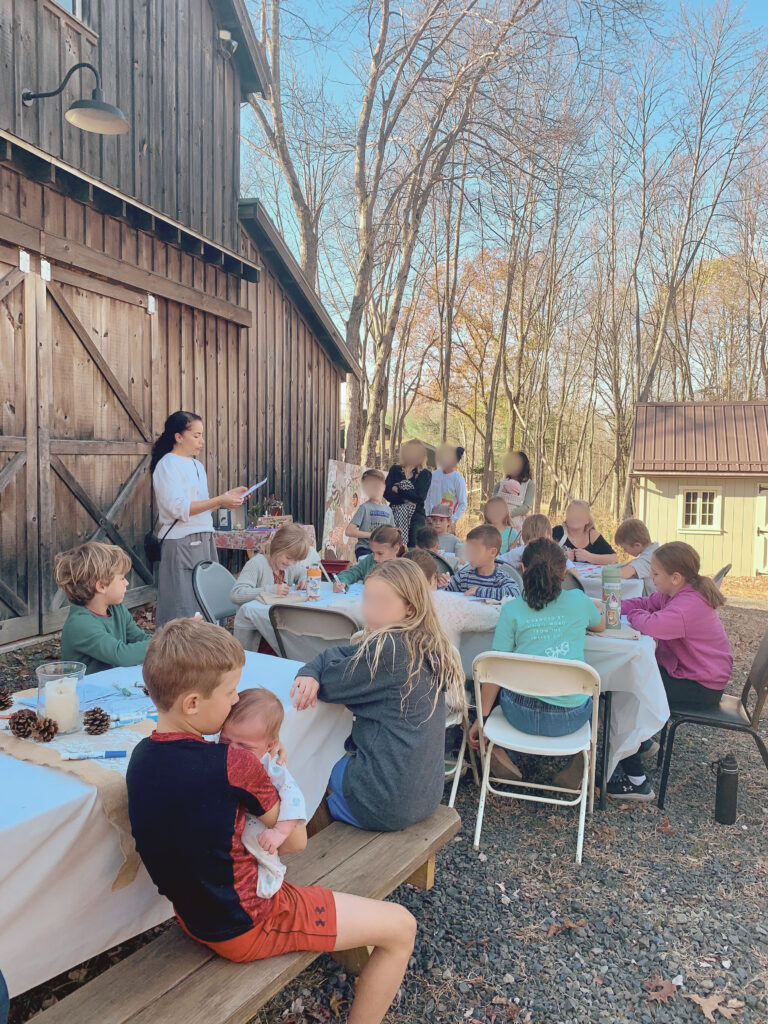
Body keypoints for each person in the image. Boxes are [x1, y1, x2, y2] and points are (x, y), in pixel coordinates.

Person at [127, 619, 416, 1023]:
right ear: (192, 703)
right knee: (402, 927)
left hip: (191, 912)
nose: (234, 702)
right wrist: (278, 768)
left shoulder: (140, 756)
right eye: (229, 693)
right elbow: (296, 842)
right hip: (246, 925)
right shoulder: (233, 764)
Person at [290, 560, 466, 831]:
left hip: (386, 803)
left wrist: (314, 672)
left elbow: (330, 684)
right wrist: (314, 668)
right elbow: (341, 654)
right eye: (368, 599)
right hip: (425, 794)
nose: (370, 610)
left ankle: (308, 848)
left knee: (307, 760)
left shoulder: (390, 651)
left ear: (410, 608)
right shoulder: (427, 643)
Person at [468, 538, 604, 783]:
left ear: (522, 569)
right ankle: (581, 759)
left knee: (507, 686)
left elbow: (494, 671)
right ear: (564, 572)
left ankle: (503, 751)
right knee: (598, 701)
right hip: (569, 718)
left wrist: (482, 718)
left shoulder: (512, 610)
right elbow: (600, 625)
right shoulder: (579, 601)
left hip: (520, 713)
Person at [606, 542, 733, 802]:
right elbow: (645, 602)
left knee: (626, 688)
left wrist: (636, 613)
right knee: (628, 681)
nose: (650, 578)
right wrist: (610, 605)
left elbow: (653, 625)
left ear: (675, 577)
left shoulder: (689, 604)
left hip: (701, 685)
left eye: (655, 574)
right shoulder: (677, 592)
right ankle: (639, 743)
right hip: (691, 673)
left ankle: (636, 781)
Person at [151, 411, 247, 626]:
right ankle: (177, 654)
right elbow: (178, 508)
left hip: (204, 536)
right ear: (178, 437)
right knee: (182, 603)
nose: (201, 441)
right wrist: (220, 500)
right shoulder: (167, 465)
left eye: (202, 435)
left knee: (206, 599)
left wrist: (227, 496)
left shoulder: (197, 465)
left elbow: (200, 506)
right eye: (196, 435)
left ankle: (207, 652)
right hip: (182, 542)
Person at [219, 688, 305, 898]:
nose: (232, 751)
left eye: (245, 747)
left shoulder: (274, 765)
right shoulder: (233, 743)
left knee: (259, 847)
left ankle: (271, 872)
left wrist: (280, 832)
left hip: (258, 822)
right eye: (225, 741)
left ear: (269, 745)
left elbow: (294, 800)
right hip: (233, 817)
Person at [55, 542, 150, 674]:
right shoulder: (79, 624)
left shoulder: (117, 608)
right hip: (86, 692)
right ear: (101, 586)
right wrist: (164, 644)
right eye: (122, 578)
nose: (126, 583)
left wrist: (159, 645)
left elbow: (140, 638)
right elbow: (121, 655)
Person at [230, 524, 311, 604]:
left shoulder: (289, 566)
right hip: (253, 616)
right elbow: (236, 594)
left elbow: (302, 571)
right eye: (288, 558)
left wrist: (302, 580)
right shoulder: (256, 564)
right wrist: (270, 591)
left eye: (296, 560)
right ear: (277, 547)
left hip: (275, 614)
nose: (291, 563)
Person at [441, 525, 521, 600]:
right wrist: (441, 584)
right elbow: (443, 592)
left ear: (492, 552)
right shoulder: (464, 577)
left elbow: (514, 593)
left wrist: (478, 591)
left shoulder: (500, 578)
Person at [384, 439, 432, 547]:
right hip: (395, 514)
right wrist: (406, 499)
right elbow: (387, 494)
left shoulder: (425, 474)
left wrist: (398, 488)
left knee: (413, 549)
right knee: (393, 546)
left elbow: (420, 497)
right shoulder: (395, 470)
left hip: (416, 516)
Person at [332, 524, 404, 592]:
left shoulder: (404, 569)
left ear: (396, 549)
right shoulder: (369, 561)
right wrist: (341, 581)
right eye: (373, 552)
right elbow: (351, 573)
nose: (375, 558)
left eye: (380, 553)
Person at [344, 469, 396, 559]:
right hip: (365, 549)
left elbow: (393, 532)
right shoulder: (364, 508)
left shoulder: (388, 510)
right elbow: (349, 531)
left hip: (383, 552)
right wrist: (371, 535)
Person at [552, 500, 618, 565]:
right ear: (566, 518)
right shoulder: (558, 531)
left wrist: (589, 557)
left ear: (587, 520)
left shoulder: (593, 536)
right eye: (571, 514)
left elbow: (614, 559)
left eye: (579, 515)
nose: (574, 518)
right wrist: (562, 556)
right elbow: (542, 553)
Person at [492, 451, 535, 530]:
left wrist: (508, 514)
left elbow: (526, 507)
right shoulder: (500, 484)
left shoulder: (529, 485)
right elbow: (492, 502)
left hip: (516, 526)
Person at [614, 518, 659, 595]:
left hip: (653, 602)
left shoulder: (650, 558)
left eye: (625, 548)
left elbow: (624, 573)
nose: (625, 551)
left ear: (637, 545)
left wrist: (608, 571)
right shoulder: (653, 551)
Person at [426, 444, 468, 525]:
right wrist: (427, 514)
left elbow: (463, 503)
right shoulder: (433, 475)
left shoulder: (458, 480)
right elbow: (428, 495)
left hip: (447, 522)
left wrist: (452, 520)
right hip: (432, 519)